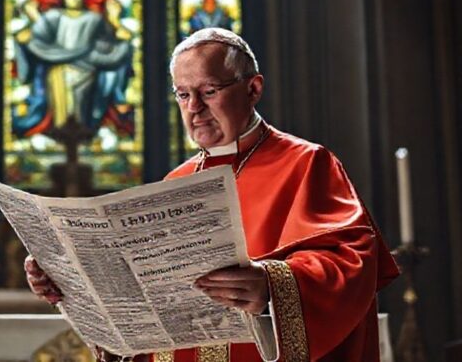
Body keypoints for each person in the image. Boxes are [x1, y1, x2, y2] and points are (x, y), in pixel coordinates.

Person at [24, 27, 400, 362]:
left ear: (253, 89)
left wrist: (273, 286)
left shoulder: (305, 163)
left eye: (209, 91)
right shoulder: (175, 182)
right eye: (183, 95)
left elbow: (353, 264)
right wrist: (71, 285)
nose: (194, 109)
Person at [11, 0, 135, 137]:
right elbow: (38, 42)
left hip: (87, 73)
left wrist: (114, 20)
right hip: (58, 74)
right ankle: (62, 129)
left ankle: (85, 130)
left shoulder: (94, 19)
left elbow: (108, 48)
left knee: (83, 111)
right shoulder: (52, 17)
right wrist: (33, 21)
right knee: (60, 105)